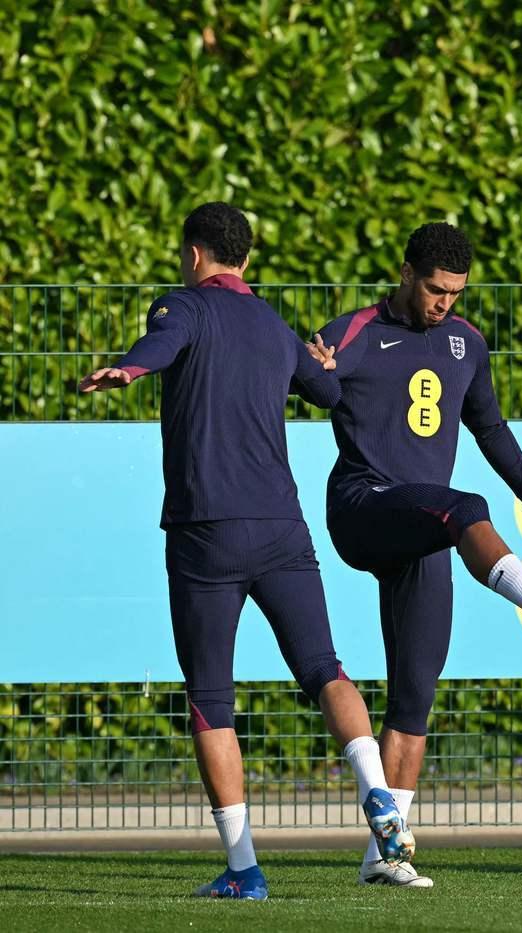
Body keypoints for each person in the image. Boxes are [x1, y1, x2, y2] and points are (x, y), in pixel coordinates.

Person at [79, 202, 411, 900]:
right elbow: (326, 391)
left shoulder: (183, 306)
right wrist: (321, 364)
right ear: (247, 260)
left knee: (210, 699)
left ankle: (244, 869)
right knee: (324, 667)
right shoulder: (271, 323)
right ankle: (377, 792)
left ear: (193, 254)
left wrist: (130, 370)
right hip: (282, 527)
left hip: (206, 532)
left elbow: (162, 344)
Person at [312, 222, 522, 887]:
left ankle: (386, 856)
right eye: (435, 289)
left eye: (456, 292)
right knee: (464, 506)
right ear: (406, 272)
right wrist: (314, 371)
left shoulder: (465, 342)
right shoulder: (355, 330)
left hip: (426, 527)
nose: (444, 302)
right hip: (363, 507)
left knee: (415, 697)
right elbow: (310, 384)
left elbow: (490, 427)